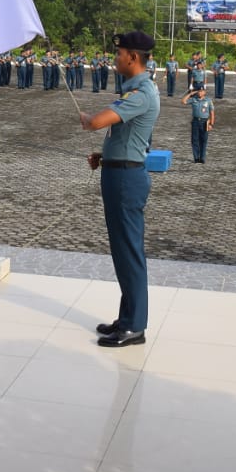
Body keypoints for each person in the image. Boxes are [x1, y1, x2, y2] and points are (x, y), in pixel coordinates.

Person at [80, 30, 161, 349]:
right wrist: (105, 156)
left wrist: (87, 118)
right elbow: (126, 137)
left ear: (133, 57)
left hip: (126, 180)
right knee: (122, 249)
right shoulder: (135, 90)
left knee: (128, 250)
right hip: (119, 172)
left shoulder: (140, 94)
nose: (116, 58)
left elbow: (97, 122)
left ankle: (134, 326)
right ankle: (127, 318)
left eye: (119, 54)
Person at [182, 84, 215, 163]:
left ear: (204, 92)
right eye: (199, 91)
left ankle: (202, 158)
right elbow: (183, 101)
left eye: (202, 91)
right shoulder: (194, 99)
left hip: (205, 122)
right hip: (195, 122)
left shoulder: (208, 100)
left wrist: (211, 124)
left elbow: (212, 113)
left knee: (203, 140)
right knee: (195, 140)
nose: (200, 93)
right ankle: (196, 157)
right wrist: (191, 93)